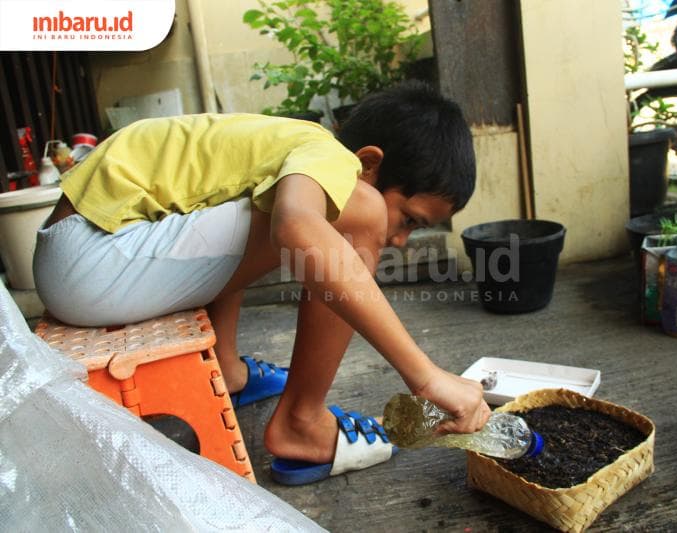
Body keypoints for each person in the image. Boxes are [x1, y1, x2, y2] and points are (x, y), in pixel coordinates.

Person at [33, 80, 490, 485]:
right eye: (409, 219)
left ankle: (229, 370)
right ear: (368, 162)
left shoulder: (283, 145)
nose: (399, 240)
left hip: (90, 257)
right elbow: (294, 227)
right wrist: (425, 377)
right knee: (357, 215)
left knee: (262, 198)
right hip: (94, 255)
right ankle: (301, 421)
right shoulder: (326, 155)